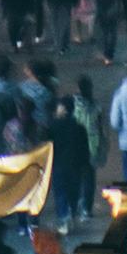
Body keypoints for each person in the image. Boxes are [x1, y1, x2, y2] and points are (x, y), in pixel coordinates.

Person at [48, 95, 94, 232]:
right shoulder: (79, 128)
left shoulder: (53, 126)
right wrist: (85, 165)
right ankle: (71, 213)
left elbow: (47, 146)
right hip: (76, 166)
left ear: (63, 109)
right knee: (73, 192)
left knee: (60, 192)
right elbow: (85, 150)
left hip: (58, 165)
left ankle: (63, 217)